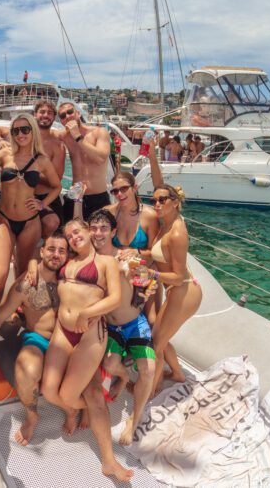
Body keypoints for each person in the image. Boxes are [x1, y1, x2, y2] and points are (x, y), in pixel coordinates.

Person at [40, 218, 130, 482]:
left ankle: (109, 462)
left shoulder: (105, 262)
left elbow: (113, 298)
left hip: (90, 334)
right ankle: (82, 407)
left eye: (76, 231)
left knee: (69, 393)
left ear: (89, 232)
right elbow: (43, 262)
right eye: (69, 236)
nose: (73, 238)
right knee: (48, 390)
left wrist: (87, 313)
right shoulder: (67, 261)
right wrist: (35, 267)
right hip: (62, 332)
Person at [0, 232, 68, 445]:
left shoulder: (72, 275)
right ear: (41, 252)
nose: (56, 255)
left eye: (61, 251)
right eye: (51, 249)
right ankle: (32, 416)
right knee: (25, 369)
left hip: (69, 342)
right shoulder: (26, 284)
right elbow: (0, 314)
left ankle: (73, 411)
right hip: (39, 339)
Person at [87, 209, 156, 446]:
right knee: (109, 365)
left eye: (104, 228)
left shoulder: (125, 258)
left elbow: (146, 279)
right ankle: (124, 377)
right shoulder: (91, 261)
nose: (98, 233)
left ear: (113, 231)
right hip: (112, 328)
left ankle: (134, 420)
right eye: (93, 228)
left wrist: (143, 279)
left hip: (135, 323)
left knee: (149, 370)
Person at [0, 113, 61, 295]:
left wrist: (42, 204)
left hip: (30, 222)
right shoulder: (5, 154)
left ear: (33, 131)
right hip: (5, 220)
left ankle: (17, 313)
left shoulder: (41, 160)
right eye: (15, 131)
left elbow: (57, 186)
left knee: (22, 273)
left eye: (25, 129)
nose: (20, 134)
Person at [146, 146, 203, 397]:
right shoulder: (166, 219)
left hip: (183, 290)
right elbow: (160, 184)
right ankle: (177, 374)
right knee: (159, 334)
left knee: (155, 344)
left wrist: (152, 275)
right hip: (176, 290)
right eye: (154, 200)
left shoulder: (177, 233)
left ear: (175, 203)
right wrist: (151, 156)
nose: (156, 204)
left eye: (162, 201)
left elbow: (179, 276)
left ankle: (150, 391)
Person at [0, 100, 66, 237]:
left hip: (44, 197)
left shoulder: (57, 145)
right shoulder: (21, 132)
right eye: (42, 112)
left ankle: (41, 247)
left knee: (52, 223)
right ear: (35, 115)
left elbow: (56, 179)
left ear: (54, 117)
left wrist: (23, 173)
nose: (45, 115)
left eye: (50, 113)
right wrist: (0, 141)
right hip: (17, 199)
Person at [55, 102, 111, 222]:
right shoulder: (64, 136)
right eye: (63, 116)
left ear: (78, 113)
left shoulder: (99, 132)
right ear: (62, 122)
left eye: (70, 112)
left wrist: (78, 137)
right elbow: (41, 135)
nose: (68, 116)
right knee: (71, 237)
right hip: (75, 197)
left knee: (97, 238)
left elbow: (100, 158)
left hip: (97, 198)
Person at [105, 170, 159, 258]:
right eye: (115, 191)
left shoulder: (149, 216)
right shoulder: (108, 212)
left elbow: (154, 252)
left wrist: (137, 251)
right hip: (114, 265)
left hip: (140, 267)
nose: (119, 194)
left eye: (124, 188)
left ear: (134, 188)